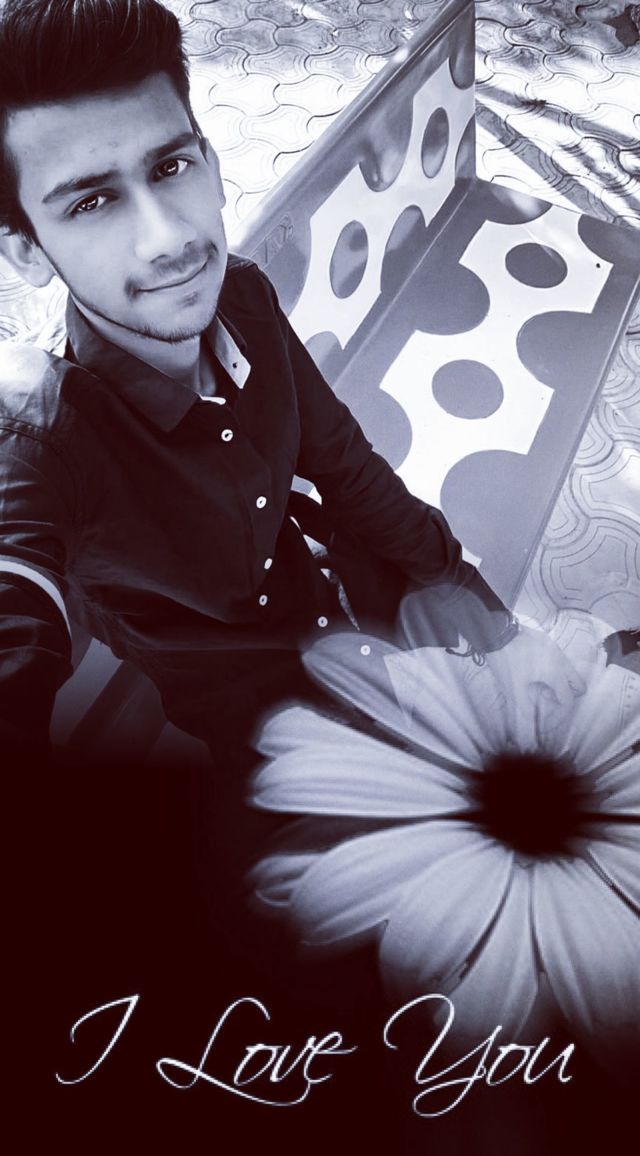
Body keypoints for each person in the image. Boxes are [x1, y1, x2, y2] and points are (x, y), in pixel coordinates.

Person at [0, 0, 529, 767]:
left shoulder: (242, 294)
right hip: (251, 717)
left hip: (337, 597)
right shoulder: (40, 444)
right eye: (92, 201)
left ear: (212, 164)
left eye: (170, 167)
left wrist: (483, 611)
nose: (169, 239)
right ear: (25, 252)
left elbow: (347, 466)